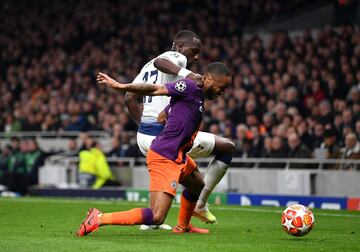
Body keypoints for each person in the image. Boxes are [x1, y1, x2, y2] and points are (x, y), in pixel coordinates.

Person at [76, 62, 232, 236]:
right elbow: (155, 89)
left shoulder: (198, 94)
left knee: (197, 184)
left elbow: (172, 107)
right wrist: (121, 86)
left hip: (178, 155)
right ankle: (99, 218)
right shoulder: (190, 86)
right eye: (222, 86)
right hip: (165, 156)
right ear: (209, 78)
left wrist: (167, 110)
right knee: (157, 217)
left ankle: (183, 226)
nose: (223, 91)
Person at [125, 30, 235, 227]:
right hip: (163, 136)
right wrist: (187, 73)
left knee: (192, 179)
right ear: (179, 45)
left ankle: (153, 222)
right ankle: (200, 204)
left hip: (145, 137)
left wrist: (143, 127)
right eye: (194, 51)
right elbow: (161, 61)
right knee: (226, 147)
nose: (196, 56)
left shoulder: (145, 68)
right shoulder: (176, 58)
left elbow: (129, 97)